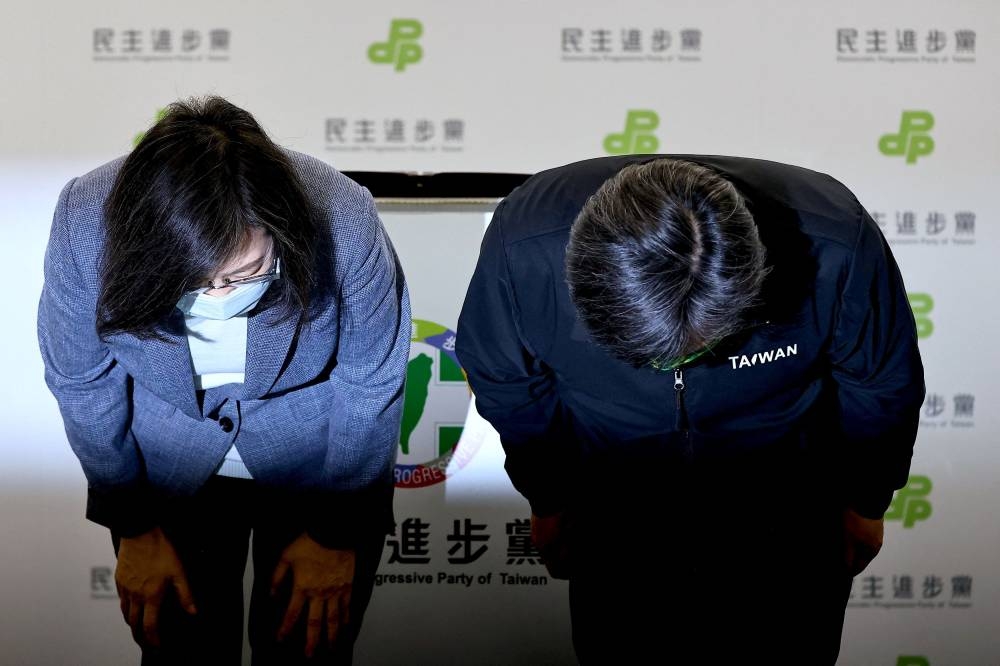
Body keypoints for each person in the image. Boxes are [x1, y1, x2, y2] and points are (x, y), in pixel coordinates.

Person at [456, 155, 924, 664]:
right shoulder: (523, 248)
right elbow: (506, 378)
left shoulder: (836, 241)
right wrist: (549, 494)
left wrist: (866, 498)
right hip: (613, 504)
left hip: (789, 499)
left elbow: (880, 382)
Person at [37, 97, 410, 665]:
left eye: (246, 274)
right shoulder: (89, 220)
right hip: (165, 464)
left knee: (309, 649)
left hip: (320, 461)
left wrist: (336, 534)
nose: (219, 298)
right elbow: (82, 378)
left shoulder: (343, 215)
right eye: (193, 280)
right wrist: (134, 524)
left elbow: (372, 380)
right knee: (179, 652)